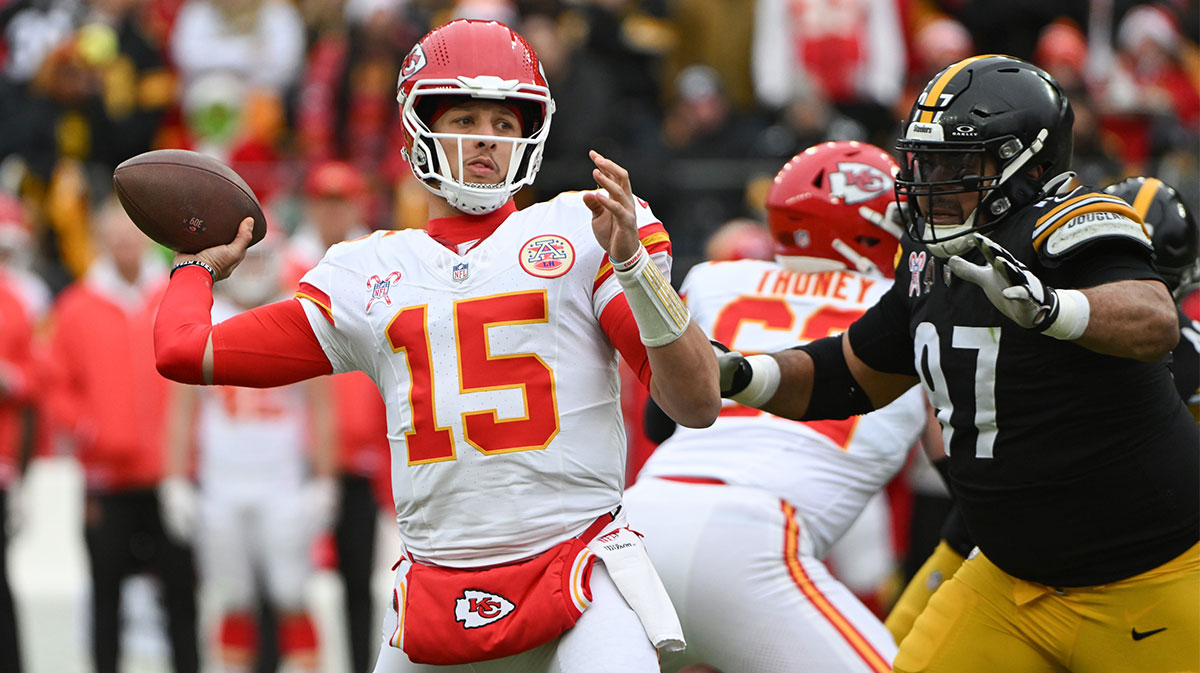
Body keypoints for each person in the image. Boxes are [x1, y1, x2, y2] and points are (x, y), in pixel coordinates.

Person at [152, 18, 720, 673]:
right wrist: (193, 267)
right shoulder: (366, 271)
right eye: (466, 116)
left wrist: (634, 270)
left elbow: (695, 401)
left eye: (506, 123)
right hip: (438, 588)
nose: (486, 137)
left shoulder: (584, 228)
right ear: (419, 125)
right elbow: (185, 351)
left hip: (580, 569)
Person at [718, 55, 1198, 673]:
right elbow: (854, 371)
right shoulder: (929, 253)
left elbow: (1152, 319)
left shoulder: (1068, 220)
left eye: (957, 163)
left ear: (1028, 163)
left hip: (1147, 575)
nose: (932, 179)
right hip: (1006, 579)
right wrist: (740, 375)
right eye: (927, 159)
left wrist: (1052, 309)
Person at [623, 140, 936, 673]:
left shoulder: (715, 281)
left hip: (637, 523)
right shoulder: (912, 302)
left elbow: (661, 420)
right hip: (758, 541)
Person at [885, 173, 1200, 646]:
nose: (1125, 281)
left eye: (1141, 272)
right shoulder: (1021, 301)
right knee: (892, 645)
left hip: (1134, 549)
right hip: (991, 534)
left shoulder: (1181, 347)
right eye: (1113, 266)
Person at [160, 230, 336, 673]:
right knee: (232, 597)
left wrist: (325, 479)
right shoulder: (208, 314)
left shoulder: (297, 313)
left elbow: (322, 406)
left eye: (264, 258)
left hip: (283, 482)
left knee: (292, 593)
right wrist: (174, 479)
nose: (256, 268)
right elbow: (181, 408)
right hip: (223, 482)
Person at [44, 196, 199, 673]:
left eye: (130, 237)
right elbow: (56, 387)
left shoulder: (173, 296)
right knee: (105, 597)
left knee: (180, 598)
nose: (123, 247)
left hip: (167, 477)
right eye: (114, 237)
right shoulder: (75, 308)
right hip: (107, 482)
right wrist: (87, 429)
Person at [287, 160, 392, 673]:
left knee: (359, 584)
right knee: (285, 583)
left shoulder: (379, 265)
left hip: (359, 455)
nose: (333, 213)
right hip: (294, 456)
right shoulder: (285, 265)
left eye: (341, 202)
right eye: (325, 202)